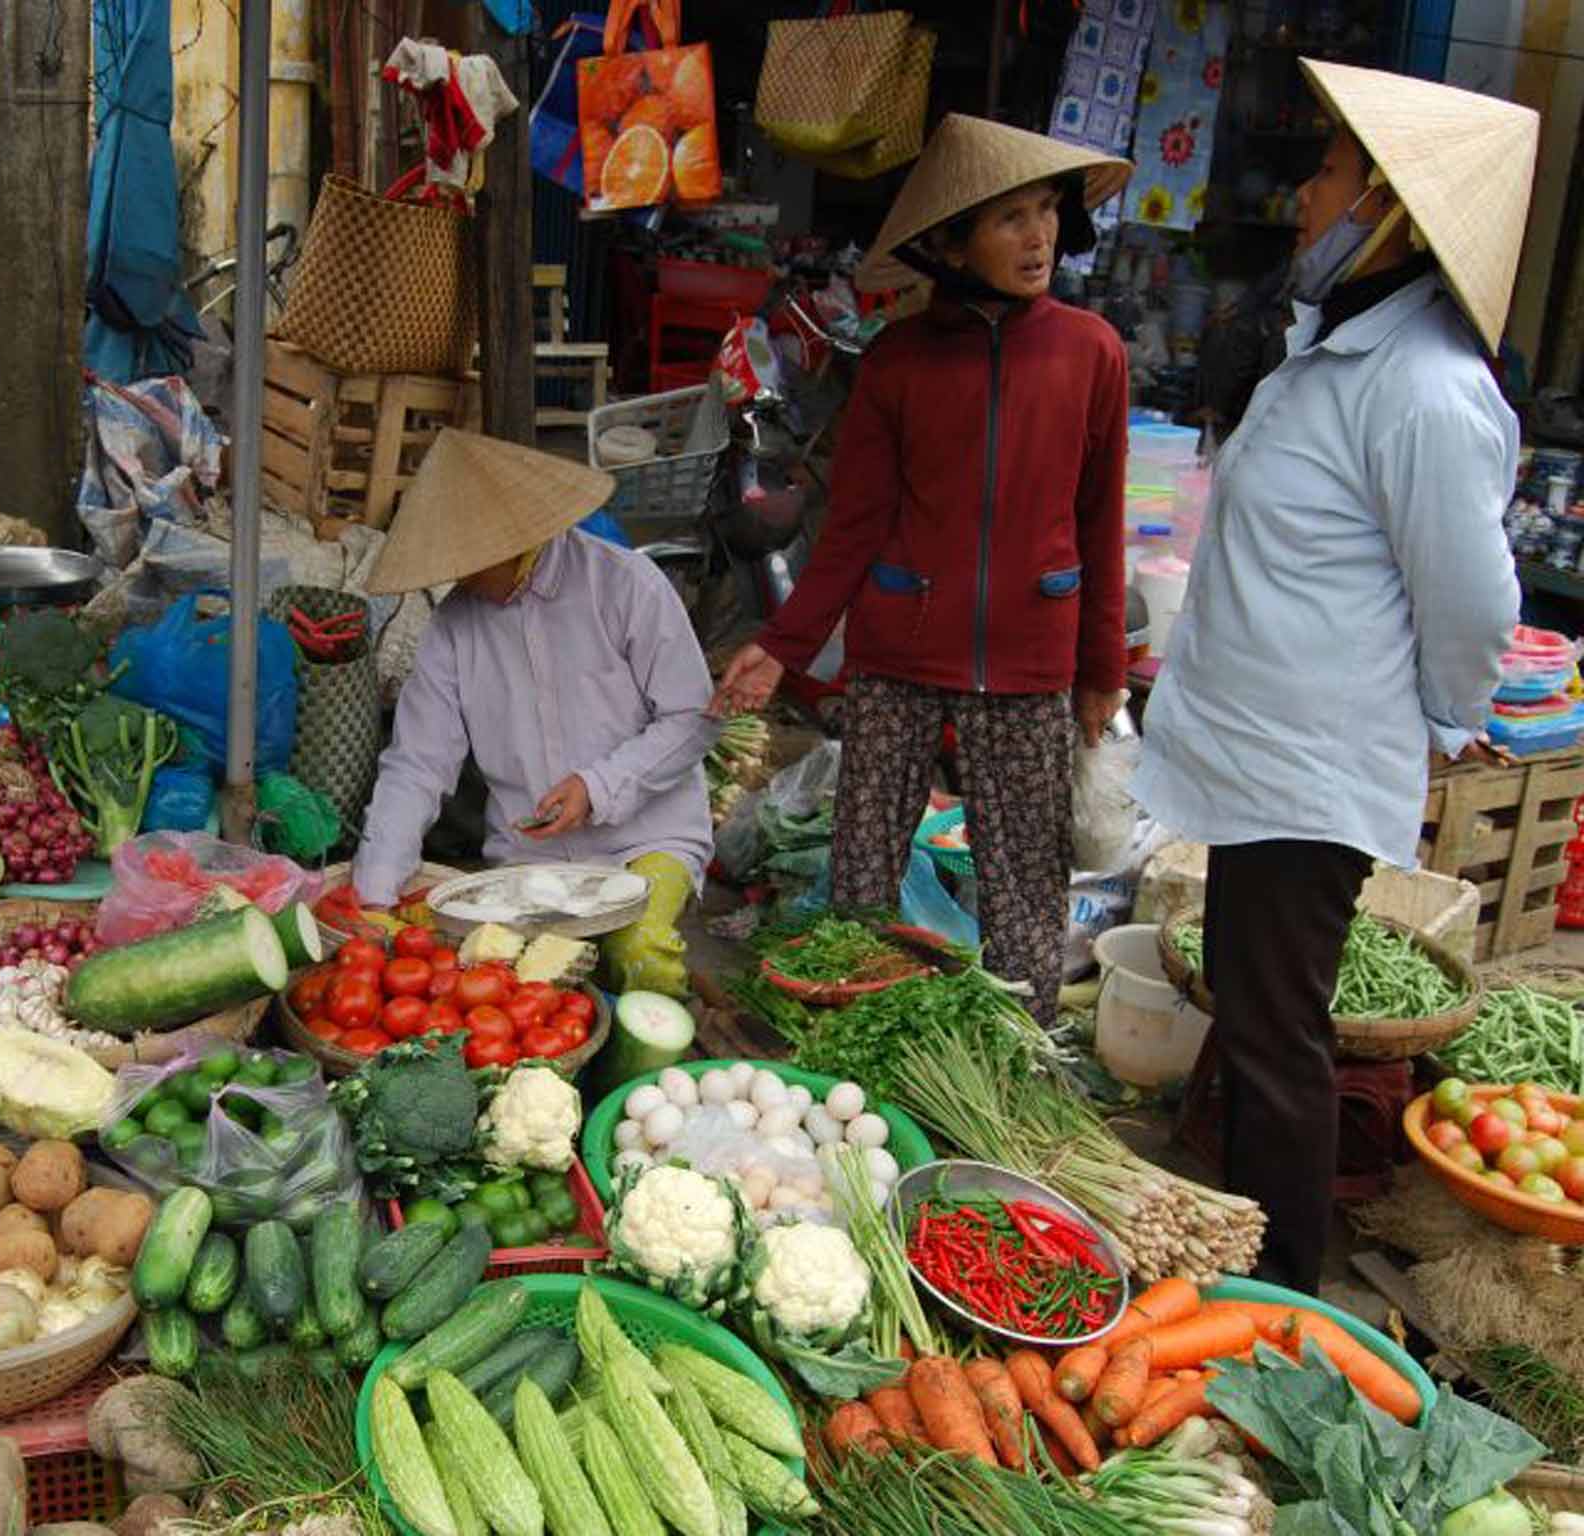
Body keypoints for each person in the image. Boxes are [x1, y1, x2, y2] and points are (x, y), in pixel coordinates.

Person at [1133, 62, 1537, 1294]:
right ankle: (1244, 1248)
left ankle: (1282, 1300)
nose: (1303, 195)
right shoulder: (1341, 348)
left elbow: (1473, 606)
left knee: (1274, 1038)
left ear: (1391, 215)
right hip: (1265, 747)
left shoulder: (1423, 391)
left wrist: (1449, 714)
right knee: (1258, 1021)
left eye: (1328, 174)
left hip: (1308, 759)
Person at [711, 115, 1134, 1027]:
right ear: (951, 242)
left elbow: (1102, 523)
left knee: (1026, 876)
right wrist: (783, 644)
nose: (1039, 238)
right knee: (864, 866)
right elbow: (854, 524)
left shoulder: (1091, 352)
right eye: (1010, 219)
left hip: (1031, 657)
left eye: (1047, 213)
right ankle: (858, 1026)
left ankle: (1023, 1042)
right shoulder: (897, 362)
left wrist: (1102, 670)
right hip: (897, 654)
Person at [351, 428, 715, 994]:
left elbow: (693, 718)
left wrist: (597, 786)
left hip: (644, 842)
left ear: (513, 538)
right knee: (503, 989)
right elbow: (417, 763)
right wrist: (375, 889)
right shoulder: (454, 626)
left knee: (639, 955)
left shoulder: (625, 586)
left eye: (470, 562)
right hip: (527, 865)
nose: (463, 578)